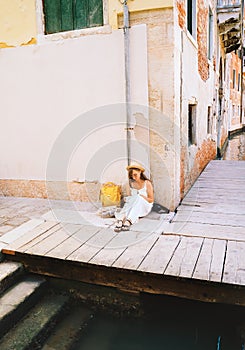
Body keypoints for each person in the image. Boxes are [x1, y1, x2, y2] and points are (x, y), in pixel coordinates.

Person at [114, 163, 154, 232]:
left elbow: (151, 200)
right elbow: (129, 197)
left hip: (145, 205)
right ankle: (121, 219)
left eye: (135, 175)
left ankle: (129, 221)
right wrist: (126, 199)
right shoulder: (130, 183)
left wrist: (141, 196)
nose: (133, 178)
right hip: (133, 205)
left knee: (137, 197)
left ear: (140, 172)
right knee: (131, 199)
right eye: (131, 176)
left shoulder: (147, 183)